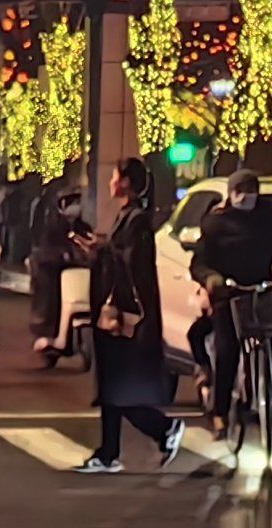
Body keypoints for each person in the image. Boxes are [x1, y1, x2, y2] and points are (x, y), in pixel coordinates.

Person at [79, 157, 182, 474]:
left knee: (118, 387)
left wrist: (102, 251)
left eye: (114, 177)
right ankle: (108, 453)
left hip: (124, 315)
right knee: (112, 385)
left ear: (125, 183)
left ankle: (163, 428)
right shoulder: (127, 216)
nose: (110, 182)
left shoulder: (137, 220)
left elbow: (134, 265)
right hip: (117, 313)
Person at [185, 172, 272, 437]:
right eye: (241, 189)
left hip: (261, 290)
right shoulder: (216, 224)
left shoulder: (271, 222)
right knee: (227, 348)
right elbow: (199, 263)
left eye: (251, 188)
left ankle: (271, 366)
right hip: (228, 293)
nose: (246, 194)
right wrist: (212, 279)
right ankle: (219, 413)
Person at [27, 182, 92, 356]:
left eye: (77, 202)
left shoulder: (83, 228)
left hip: (77, 274)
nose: (75, 207)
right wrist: (61, 255)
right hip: (56, 273)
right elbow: (45, 250)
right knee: (51, 294)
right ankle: (48, 331)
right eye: (70, 202)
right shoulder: (52, 228)